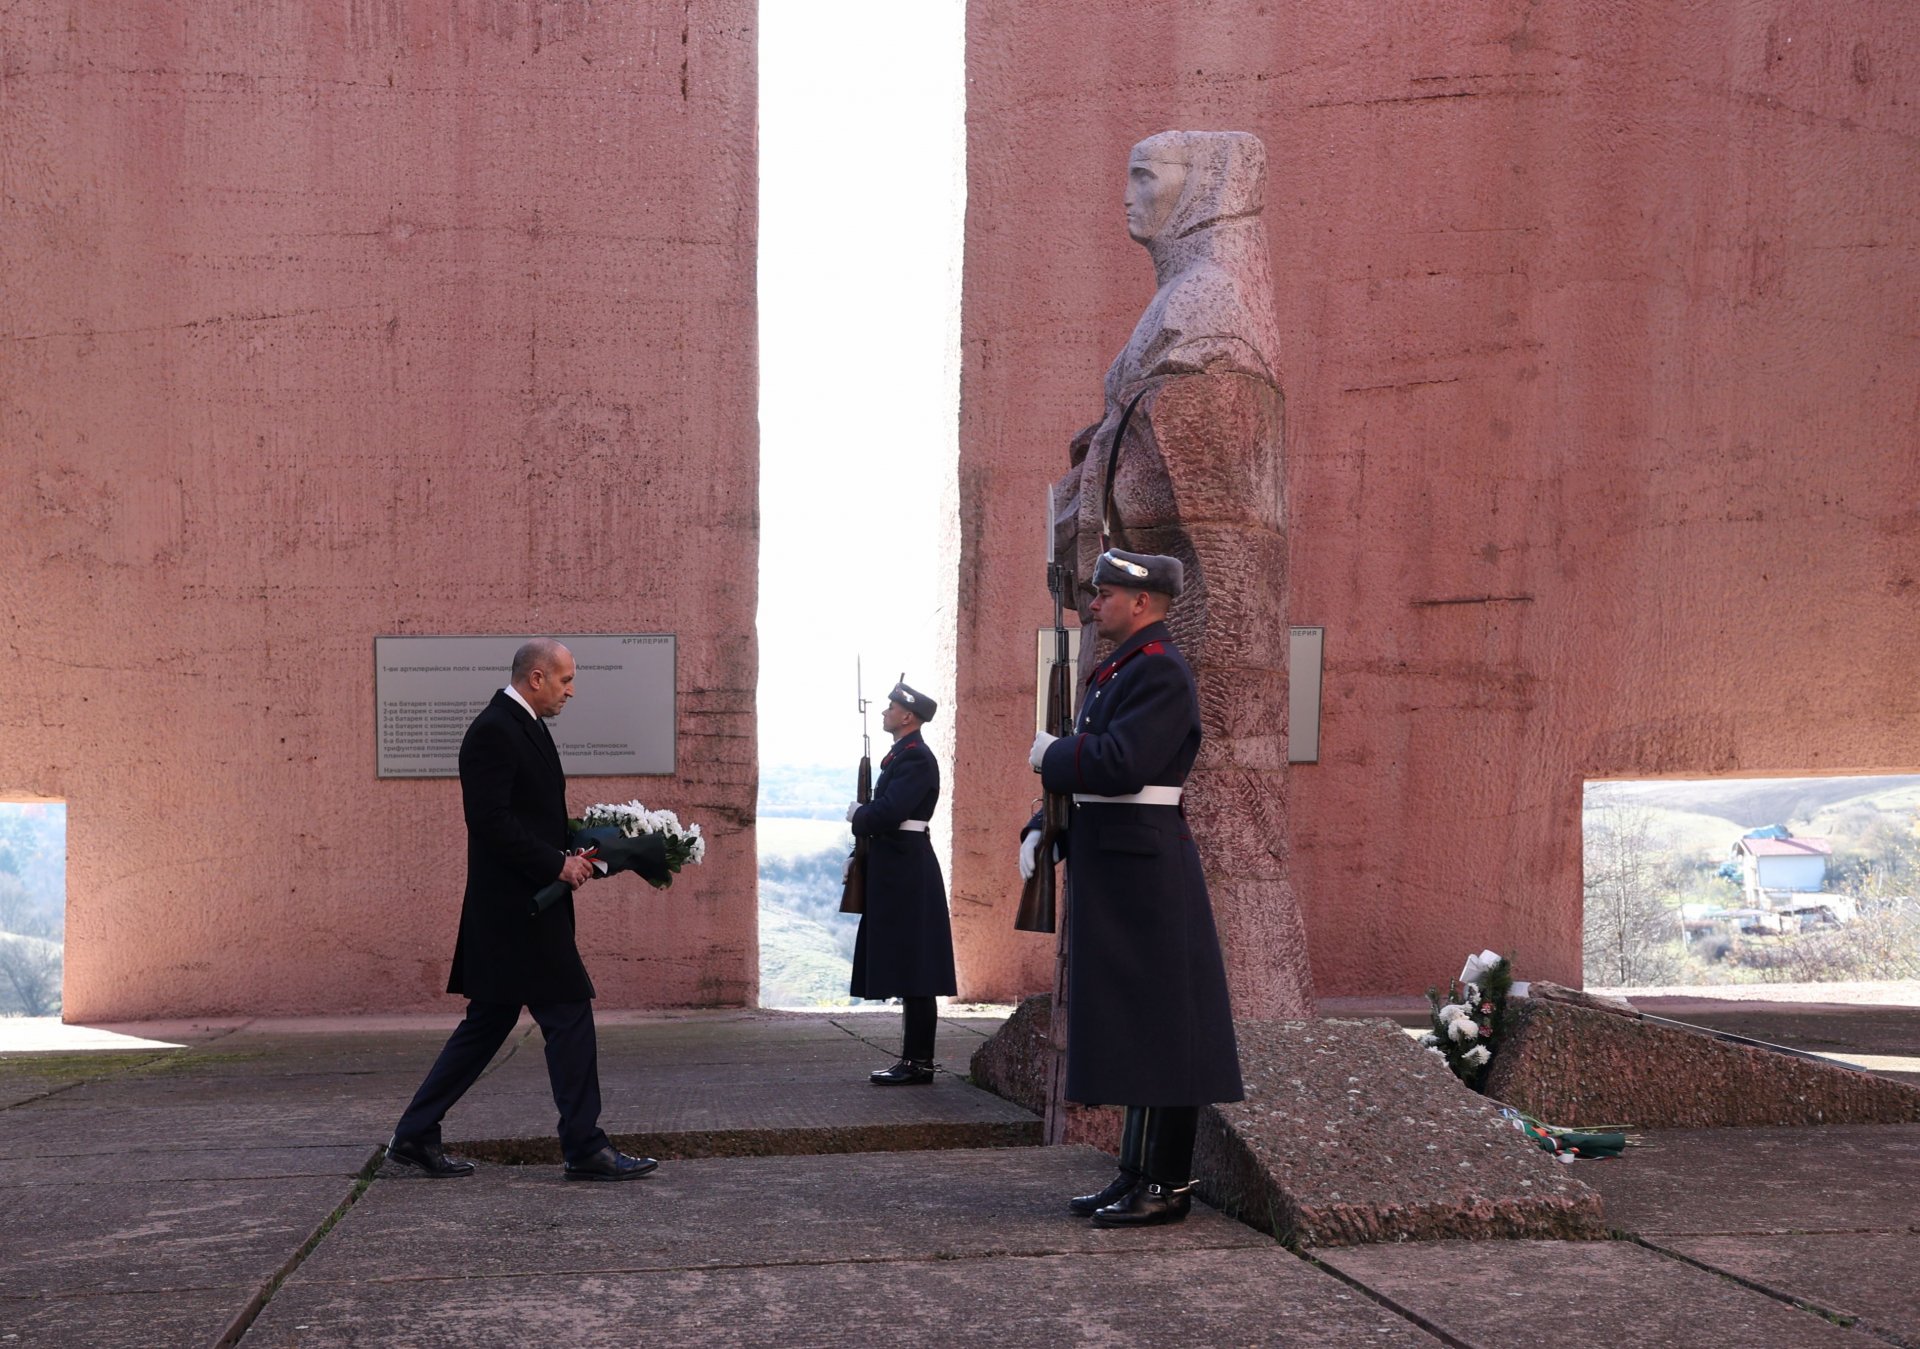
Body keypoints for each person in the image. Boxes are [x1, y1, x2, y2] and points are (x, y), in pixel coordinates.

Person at [1020, 550, 1242, 1226]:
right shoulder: (1122, 669)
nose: (1095, 605)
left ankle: (1167, 1184)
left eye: (1106, 594)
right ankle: (1134, 1172)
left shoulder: (1162, 672)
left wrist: (1050, 755)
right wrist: (1044, 827)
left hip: (1147, 872)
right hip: (1120, 866)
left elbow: (1121, 763)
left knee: (1167, 1032)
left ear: (1141, 602)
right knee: (1140, 1031)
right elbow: (1095, 778)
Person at [386, 638, 656, 1182]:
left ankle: (415, 1133)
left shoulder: (521, 724)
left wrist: (573, 851)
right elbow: (488, 820)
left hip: (518, 909)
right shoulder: (494, 729)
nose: (571, 690)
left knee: (489, 1022)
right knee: (569, 1012)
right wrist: (554, 865)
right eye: (565, 680)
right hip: (518, 912)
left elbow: (526, 817)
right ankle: (584, 1146)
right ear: (536, 678)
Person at [847, 677, 958, 1085]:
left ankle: (919, 1063)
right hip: (896, 865)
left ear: (907, 715)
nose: (884, 712)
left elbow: (888, 813)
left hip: (907, 869)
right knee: (911, 968)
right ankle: (914, 1060)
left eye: (890, 707)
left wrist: (858, 814)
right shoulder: (903, 756)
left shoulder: (915, 758)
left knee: (917, 969)